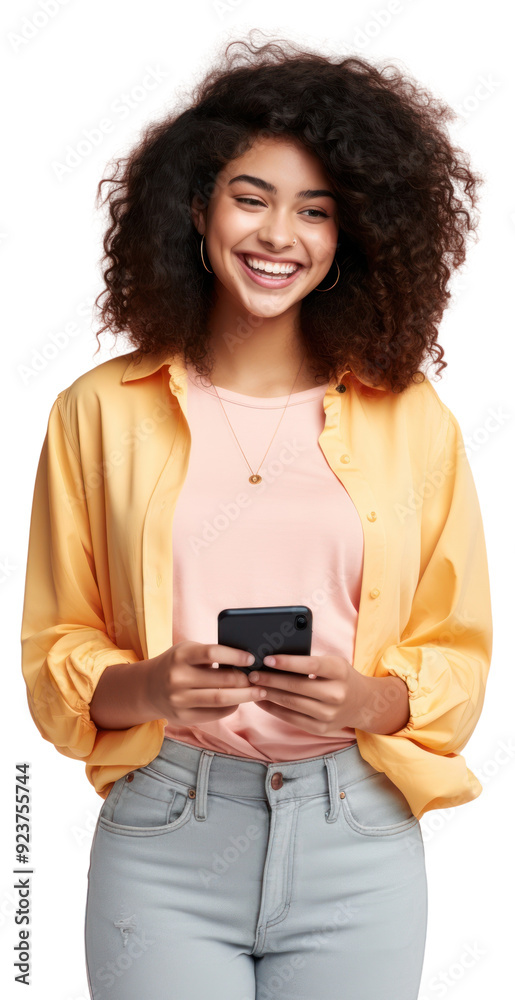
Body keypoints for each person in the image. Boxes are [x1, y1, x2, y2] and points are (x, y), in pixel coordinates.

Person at [20, 33, 493, 1000]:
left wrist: (369, 703)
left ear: (347, 239)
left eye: (315, 212)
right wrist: (149, 686)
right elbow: (52, 648)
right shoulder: (98, 411)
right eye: (252, 198)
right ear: (196, 210)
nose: (280, 235)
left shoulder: (411, 417)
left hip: (357, 841)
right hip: (164, 838)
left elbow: (458, 650)